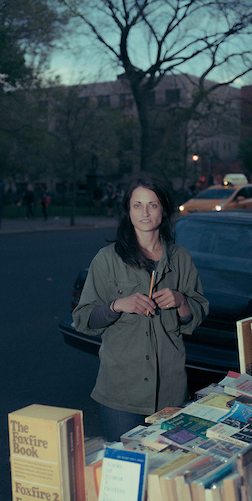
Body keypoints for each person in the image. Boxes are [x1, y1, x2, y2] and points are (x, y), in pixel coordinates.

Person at [72, 176, 209, 442]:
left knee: (169, 470)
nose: (145, 212)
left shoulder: (180, 258)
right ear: (128, 211)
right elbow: (83, 319)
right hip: (121, 395)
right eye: (137, 205)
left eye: (152, 205)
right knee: (130, 472)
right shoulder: (106, 259)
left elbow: (194, 319)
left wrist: (181, 301)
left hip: (170, 391)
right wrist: (116, 305)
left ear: (164, 209)